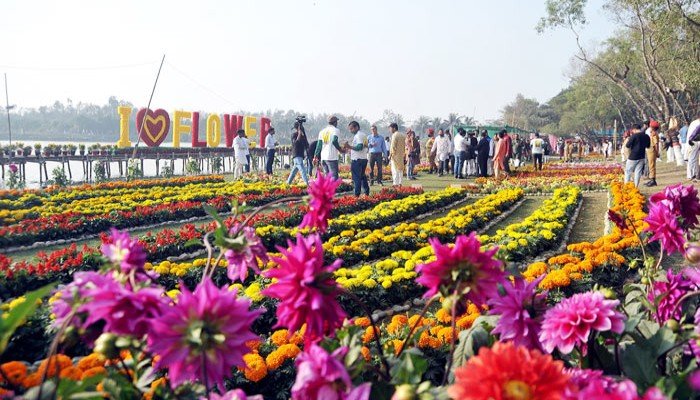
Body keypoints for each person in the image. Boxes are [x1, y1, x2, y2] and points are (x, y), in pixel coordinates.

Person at [314, 115, 344, 180]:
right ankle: (332, 190)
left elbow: (319, 145)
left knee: (327, 178)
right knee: (334, 178)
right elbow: (334, 141)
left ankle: (328, 190)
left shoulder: (322, 131)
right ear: (335, 122)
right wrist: (340, 149)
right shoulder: (336, 130)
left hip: (323, 158)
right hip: (331, 157)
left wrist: (315, 156)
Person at [346, 121, 370, 196]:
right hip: (363, 159)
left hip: (357, 160)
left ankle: (356, 195)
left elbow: (359, 147)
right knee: (362, 176)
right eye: (349, 129)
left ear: (357, 127)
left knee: (357, 178)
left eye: (351, 129)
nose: (350, 131)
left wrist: (349, 146)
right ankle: (366, 192)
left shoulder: (358, 135)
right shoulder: (363, 134)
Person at [688, 115, 700, 181]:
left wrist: (690, 139)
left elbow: (694, 133)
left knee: (693, 159)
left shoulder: (698, 125)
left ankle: (694, 175)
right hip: (696, 142)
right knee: (693, 159)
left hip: (696, 142)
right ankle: (695, 175)